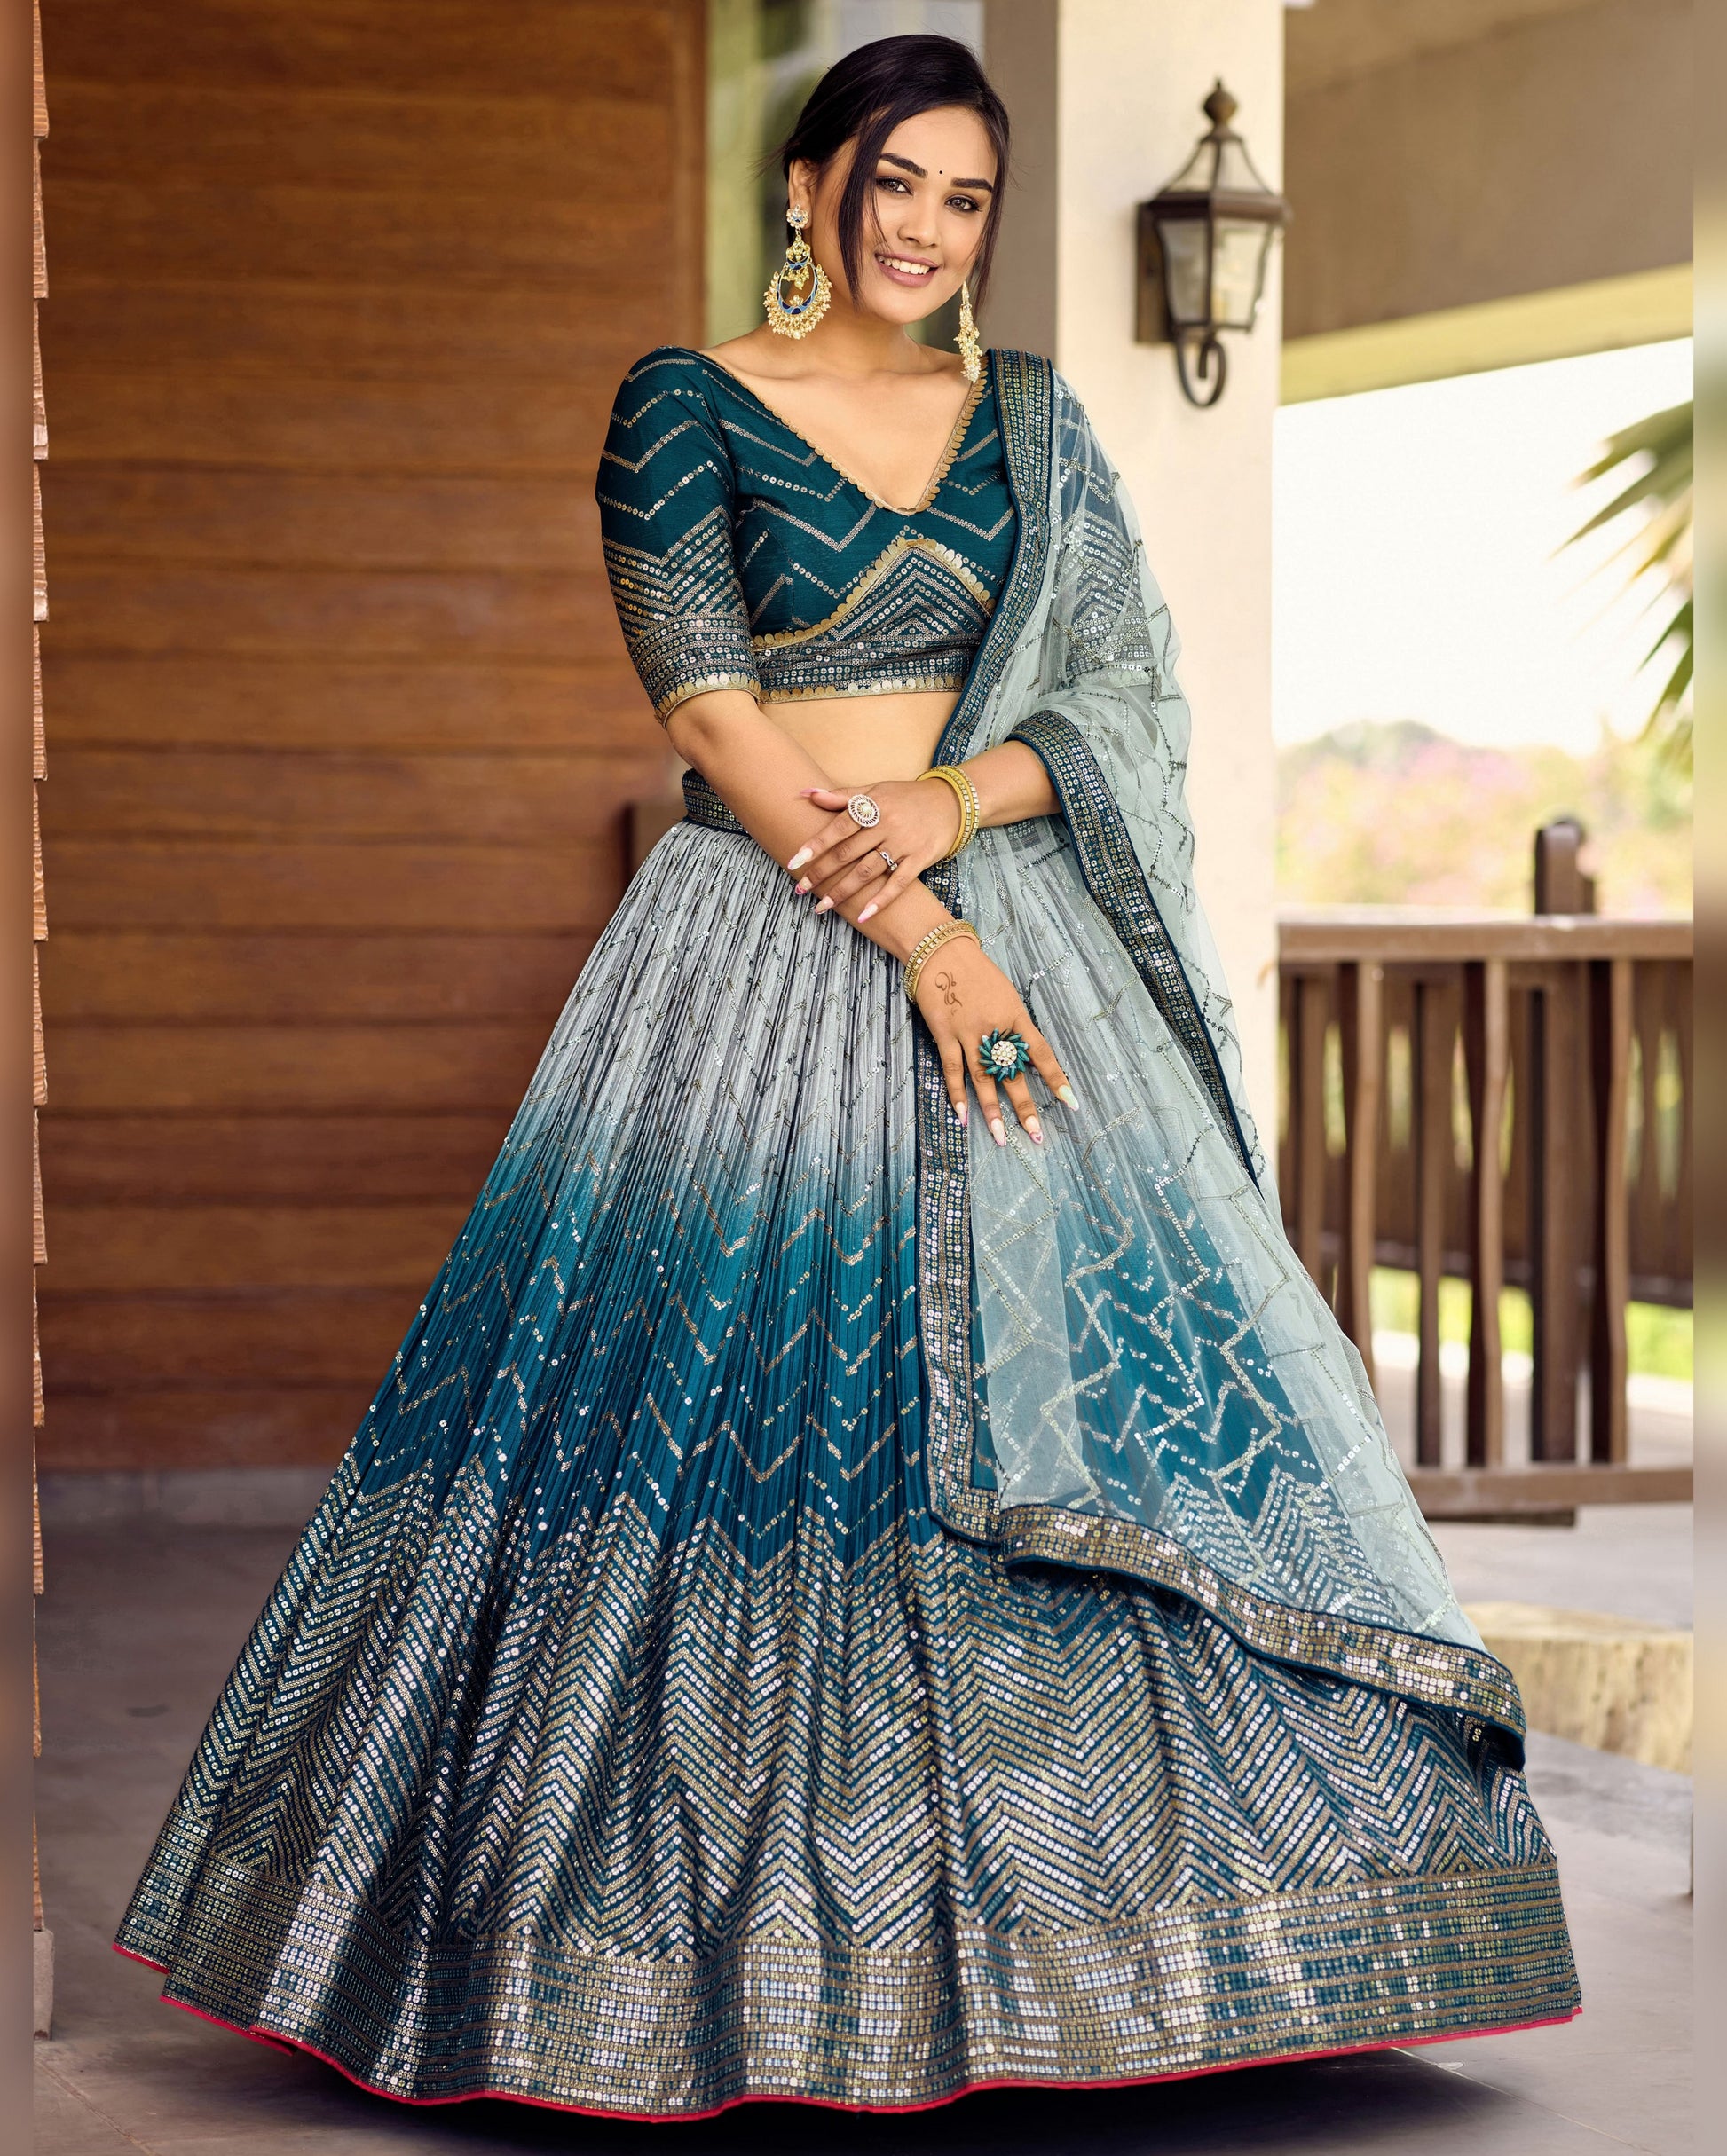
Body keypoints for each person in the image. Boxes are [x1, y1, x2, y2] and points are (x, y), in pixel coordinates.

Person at [115, 34, 1580, 2119]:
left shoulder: (1035, 428)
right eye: (890, 181)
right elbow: (710, 713)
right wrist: (923, 928)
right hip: (767, 942)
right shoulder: (681, 403)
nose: (923, 227)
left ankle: (1160, 1956)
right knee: (722, 1415)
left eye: (966, 197)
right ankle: (658, 1957)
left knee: (1130, 1384)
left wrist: (964, 819)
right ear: (808, 188)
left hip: (998, 902)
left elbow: (1107, 699)